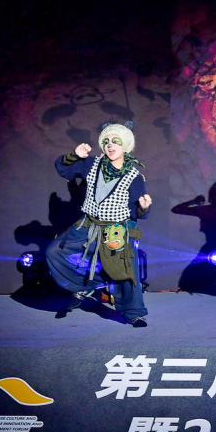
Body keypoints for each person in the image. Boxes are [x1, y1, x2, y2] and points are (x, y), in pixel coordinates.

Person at [46, 121, 153, 327]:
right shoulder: (91, 164)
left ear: (125, 146)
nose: (110, 145)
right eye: (106, 141)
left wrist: (143, 207)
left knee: (126, 271)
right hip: (88, 224)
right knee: (54, 252)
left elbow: (138, 213)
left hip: (116, 229)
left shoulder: (134, 176)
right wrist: (75, 155)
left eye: (115, 141)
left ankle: (134, 313)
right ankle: (84, 286)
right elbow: (63, 169)